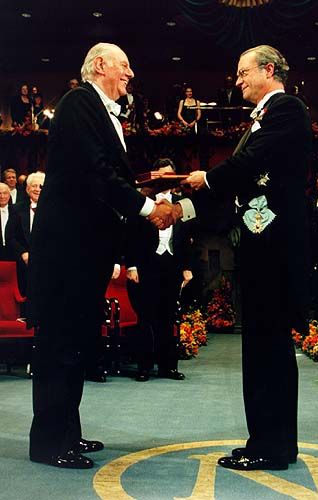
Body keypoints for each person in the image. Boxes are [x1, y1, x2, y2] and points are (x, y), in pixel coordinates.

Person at [26, 42, 193, 470]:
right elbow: (94, 172)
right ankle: (48, 443)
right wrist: (147, 207)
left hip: (84, 250)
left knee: (76, 344)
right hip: (66, 250)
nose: (131, 74)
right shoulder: (79, 102)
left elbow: (109, 174)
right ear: (100, 65)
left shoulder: (96, 110)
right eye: (125, 66)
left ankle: (67, 433)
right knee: (60, 345)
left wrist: (146, 184)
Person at [186, 44, 312, 471]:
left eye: (243, 72)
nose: (237, 80)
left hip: (274, 249)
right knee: (260, 346)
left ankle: (273, 447)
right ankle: (266, 439)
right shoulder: (263, 116)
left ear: (269, 70)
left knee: (268, 348)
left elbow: (250, 162)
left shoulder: (287, 109)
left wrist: (208, 178)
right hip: (260, 245)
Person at [125, 158, 193, 382]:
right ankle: (144, 367)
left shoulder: (184, 203)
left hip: (171, 265)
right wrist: (132, 265)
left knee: (169, 318)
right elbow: (131, 236)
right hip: (146, 265)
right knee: (146, 317)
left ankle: (168, 367)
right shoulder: (142, 202)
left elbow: (190, 239)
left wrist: (187, 267)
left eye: (169, 176)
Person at [6, 171, 45, 296]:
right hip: (23, 265)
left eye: (41, 186)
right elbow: (10, 237)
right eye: (34, 186)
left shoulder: (53, 210)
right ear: (28, 189)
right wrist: (23, 253)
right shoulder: (16, 209)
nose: (37, 189)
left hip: (46, 263)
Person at [0, 182, 13, 261]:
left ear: (9, 195)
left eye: (5, 193)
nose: (2, 196)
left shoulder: (17, 212)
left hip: (13, 252)